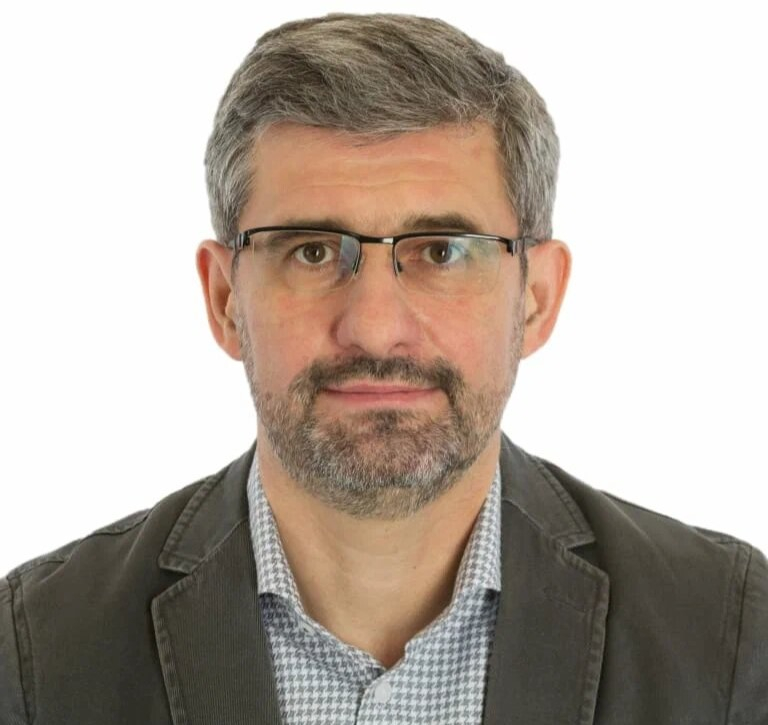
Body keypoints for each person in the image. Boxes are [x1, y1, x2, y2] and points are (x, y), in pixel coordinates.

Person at [1, 12, 765, 724]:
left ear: (536, 298)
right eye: (311, 251)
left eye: (443, 251)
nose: (374, 325)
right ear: (225, 298)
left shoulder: (730, 639)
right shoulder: (32, 656)